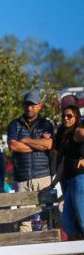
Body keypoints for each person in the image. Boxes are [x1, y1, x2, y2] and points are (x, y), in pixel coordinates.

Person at [7, 90, 55, 233]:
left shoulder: (46, 124)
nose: (29, 108)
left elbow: (49, 145)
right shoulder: (14, 124)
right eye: (27, 104)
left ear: (40, 106)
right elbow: (13, 146)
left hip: (43, 177)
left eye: (33, 105)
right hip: (22, 178)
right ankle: (26, 253)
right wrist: (38, 145)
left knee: (47, 218)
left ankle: (49, 254)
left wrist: (26, 141)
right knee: (25, 222)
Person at [53, 100, 84, 240]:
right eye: (64, 116)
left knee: (83, 219)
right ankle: (78, 254)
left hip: (80, 180)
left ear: (76, 117)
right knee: (67, 222)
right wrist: (53, 183)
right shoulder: (65, 135)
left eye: (69, 116)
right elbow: (64, 163)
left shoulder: (78, 131)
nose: (66, 118)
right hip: (69, 181)